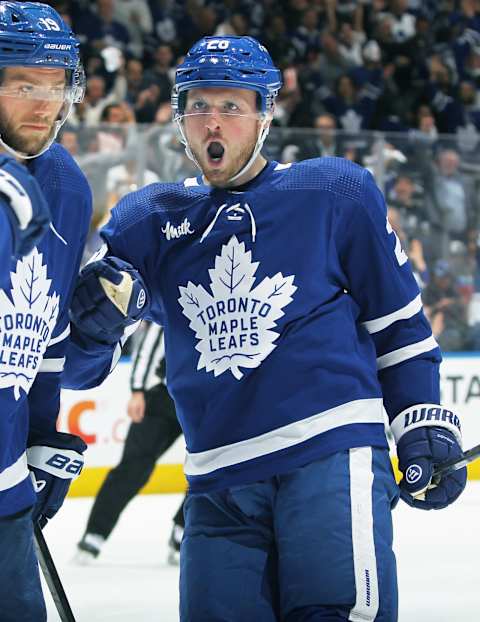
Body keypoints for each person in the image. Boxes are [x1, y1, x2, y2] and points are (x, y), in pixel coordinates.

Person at [62, 36, 466, 621]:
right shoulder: (150, 221)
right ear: (180, 118)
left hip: (328, 455)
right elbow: (80, 368)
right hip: (217, 482)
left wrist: (422, 421)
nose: (214, 121)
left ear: (265, 113)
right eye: (200, 106)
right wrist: (94, 327)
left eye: (232, 106)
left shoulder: (332, 192)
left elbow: (400, 327)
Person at [0, 3, 92, 621]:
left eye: (55, 84)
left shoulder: (63, 184)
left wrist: (40, 433)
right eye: (23, 84)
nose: (44, 103)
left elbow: (46, 332)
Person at [75, 321, 186, 566]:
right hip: (165, 396)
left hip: (208, 400)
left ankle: (183, 529)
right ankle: (95, 533)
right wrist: (138, 390)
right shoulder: (180, 295)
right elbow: (151, 341)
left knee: (211, 465)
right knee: (133, 466)